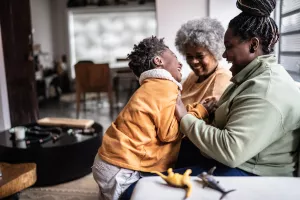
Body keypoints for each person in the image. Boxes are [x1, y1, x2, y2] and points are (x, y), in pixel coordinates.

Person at [175, 0, 300, 177]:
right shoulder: (249, 77)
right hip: (229, 162)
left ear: (253, 45)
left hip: (248, 173)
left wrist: (184, 118)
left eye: (229, 47)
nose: (224, 55)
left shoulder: (266, 90)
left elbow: (230, 151)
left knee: (144, 186)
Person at [92, 36, 215, 200]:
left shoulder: (151, 86)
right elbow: (169, 134)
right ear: (158, 61)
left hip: (109, 160)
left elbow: (167, 119)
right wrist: (200, 111)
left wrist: (192, 110)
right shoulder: (165, 85)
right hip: (121, 168)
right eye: (175, 57)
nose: (180, 64)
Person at [175, 17, 232, 106]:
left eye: (200, 56)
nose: (194, 61)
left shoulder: (223, 78)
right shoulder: (192, 76)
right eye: (189, 56)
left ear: (214, 52)